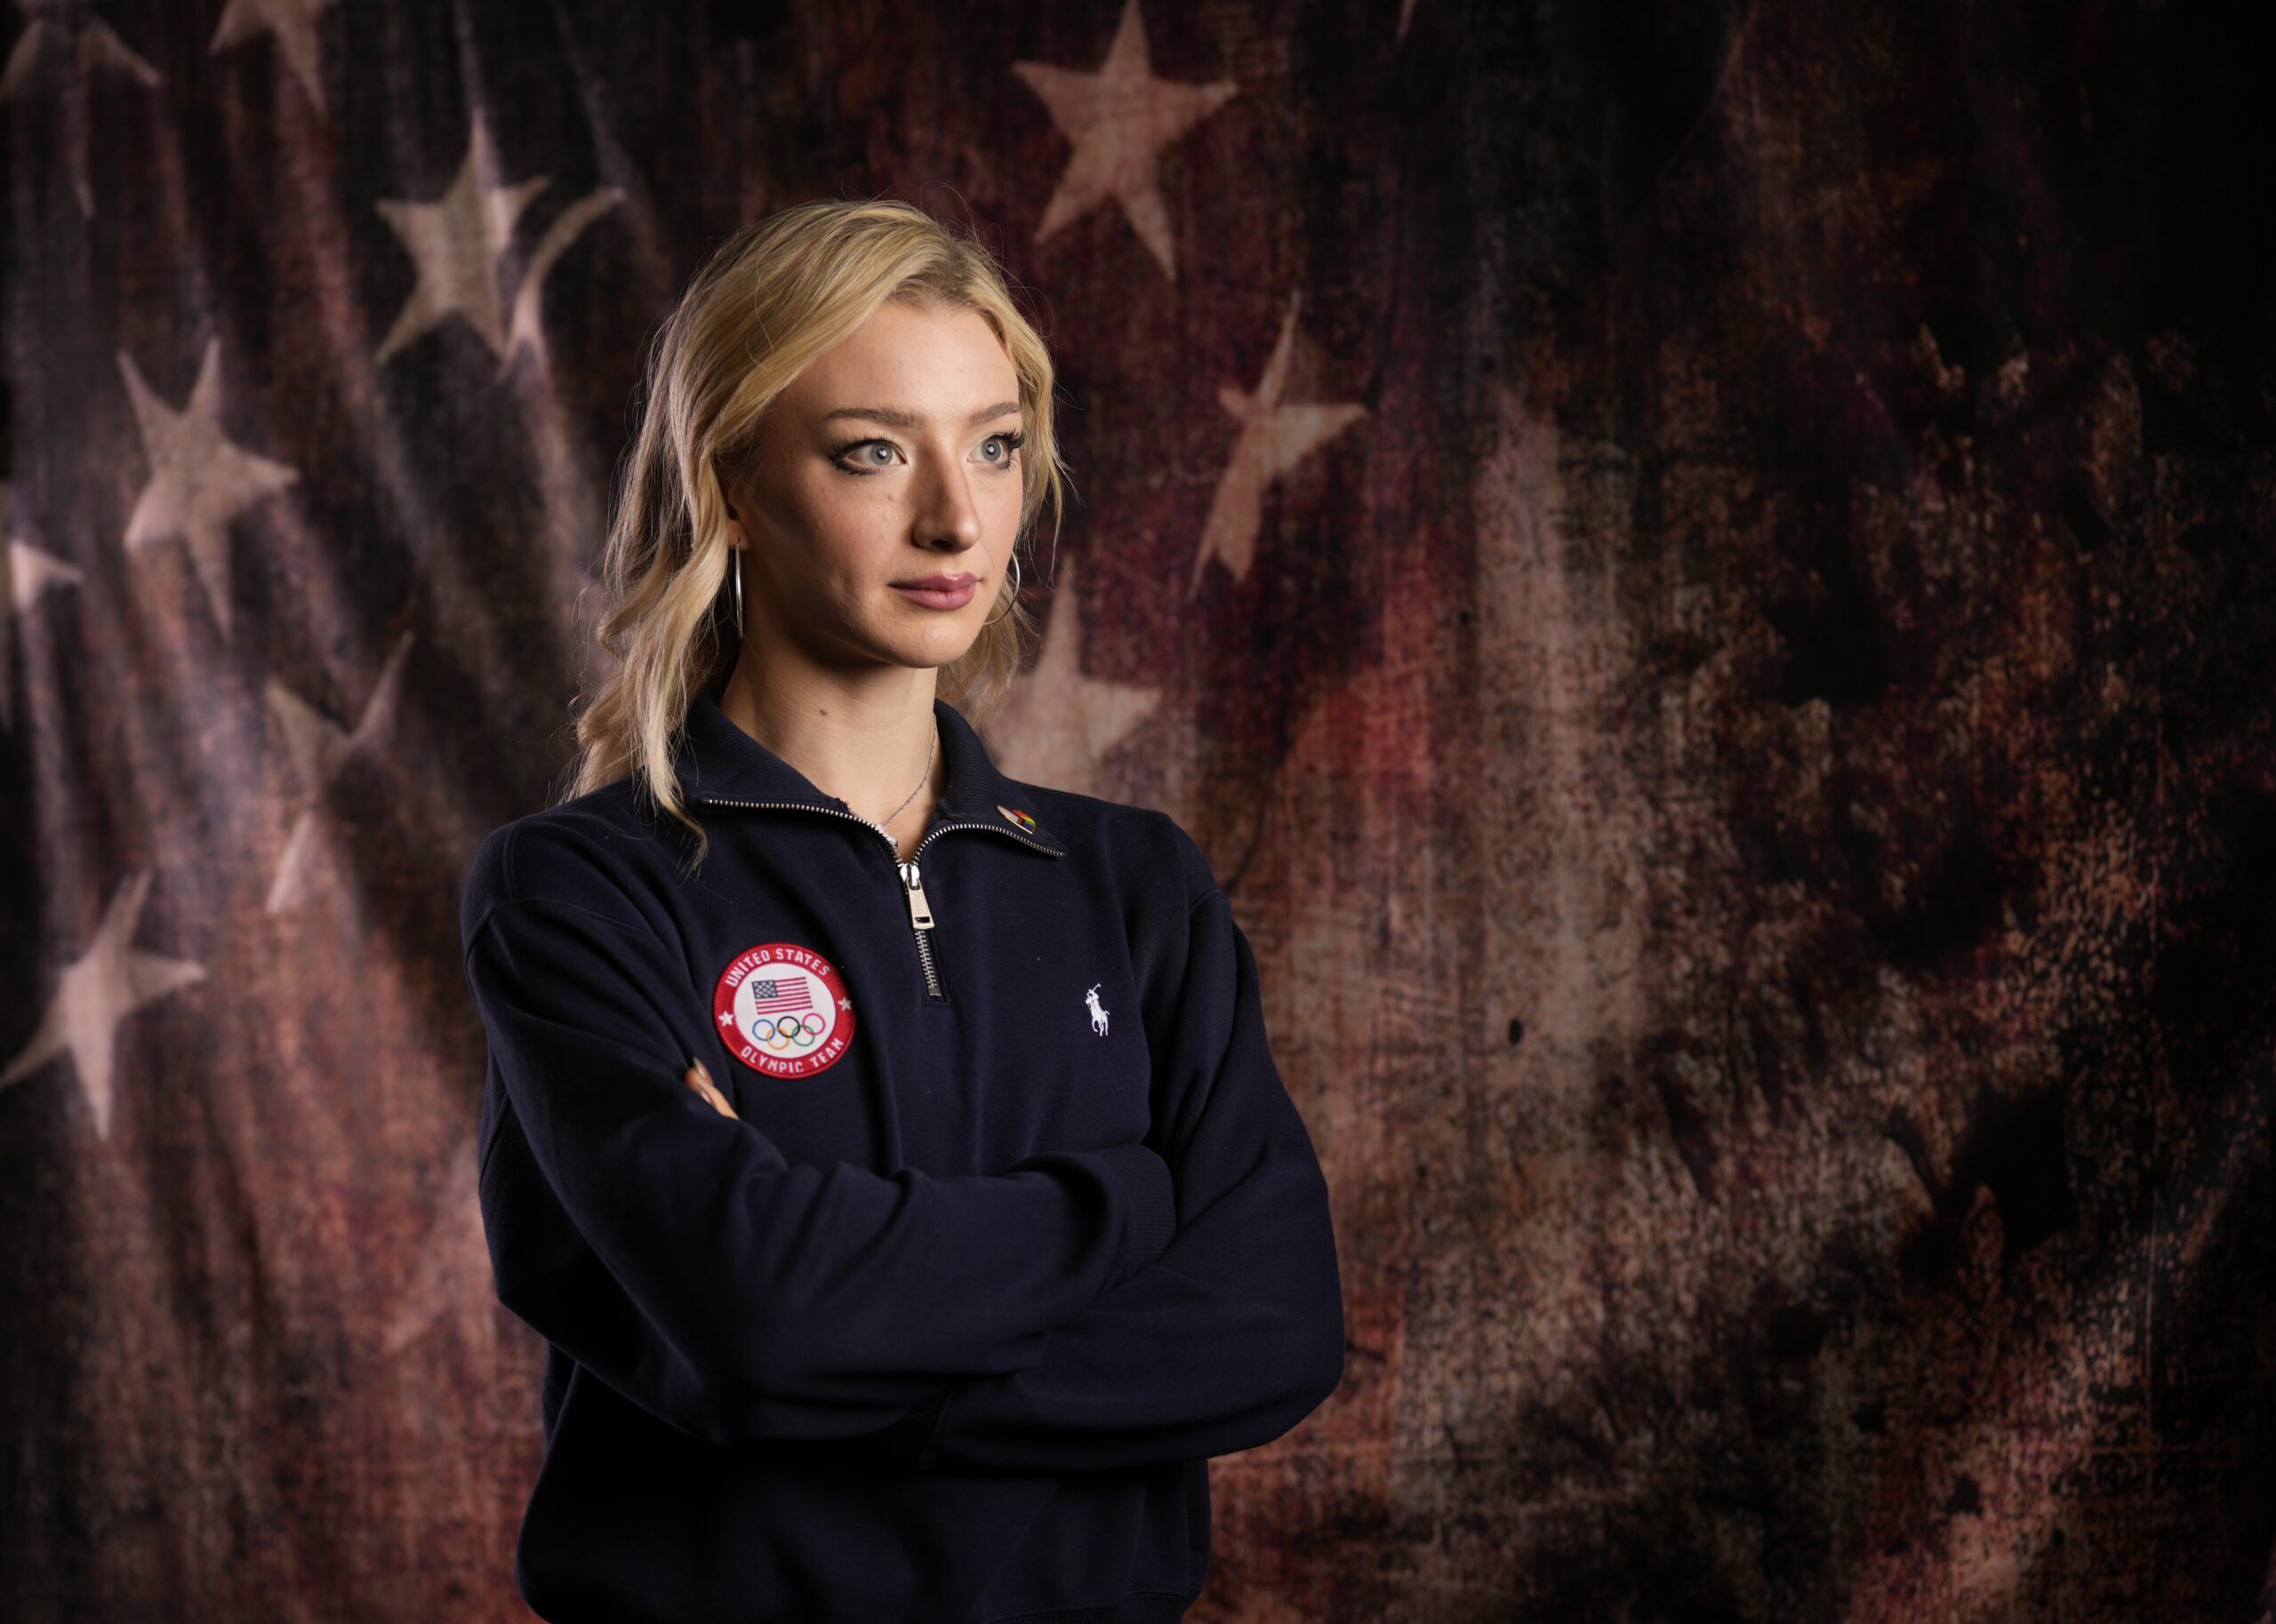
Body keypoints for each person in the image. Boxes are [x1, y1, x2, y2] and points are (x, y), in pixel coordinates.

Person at [458, 197, 1344, 1623]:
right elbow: (761, 1322)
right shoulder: (582, 891)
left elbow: (1274, 1326)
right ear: (732, 481)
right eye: (874, 451)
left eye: (994, 447)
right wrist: (1127, 1201)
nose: (957, 516)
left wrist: (832, 1364)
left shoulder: (1136, 886)